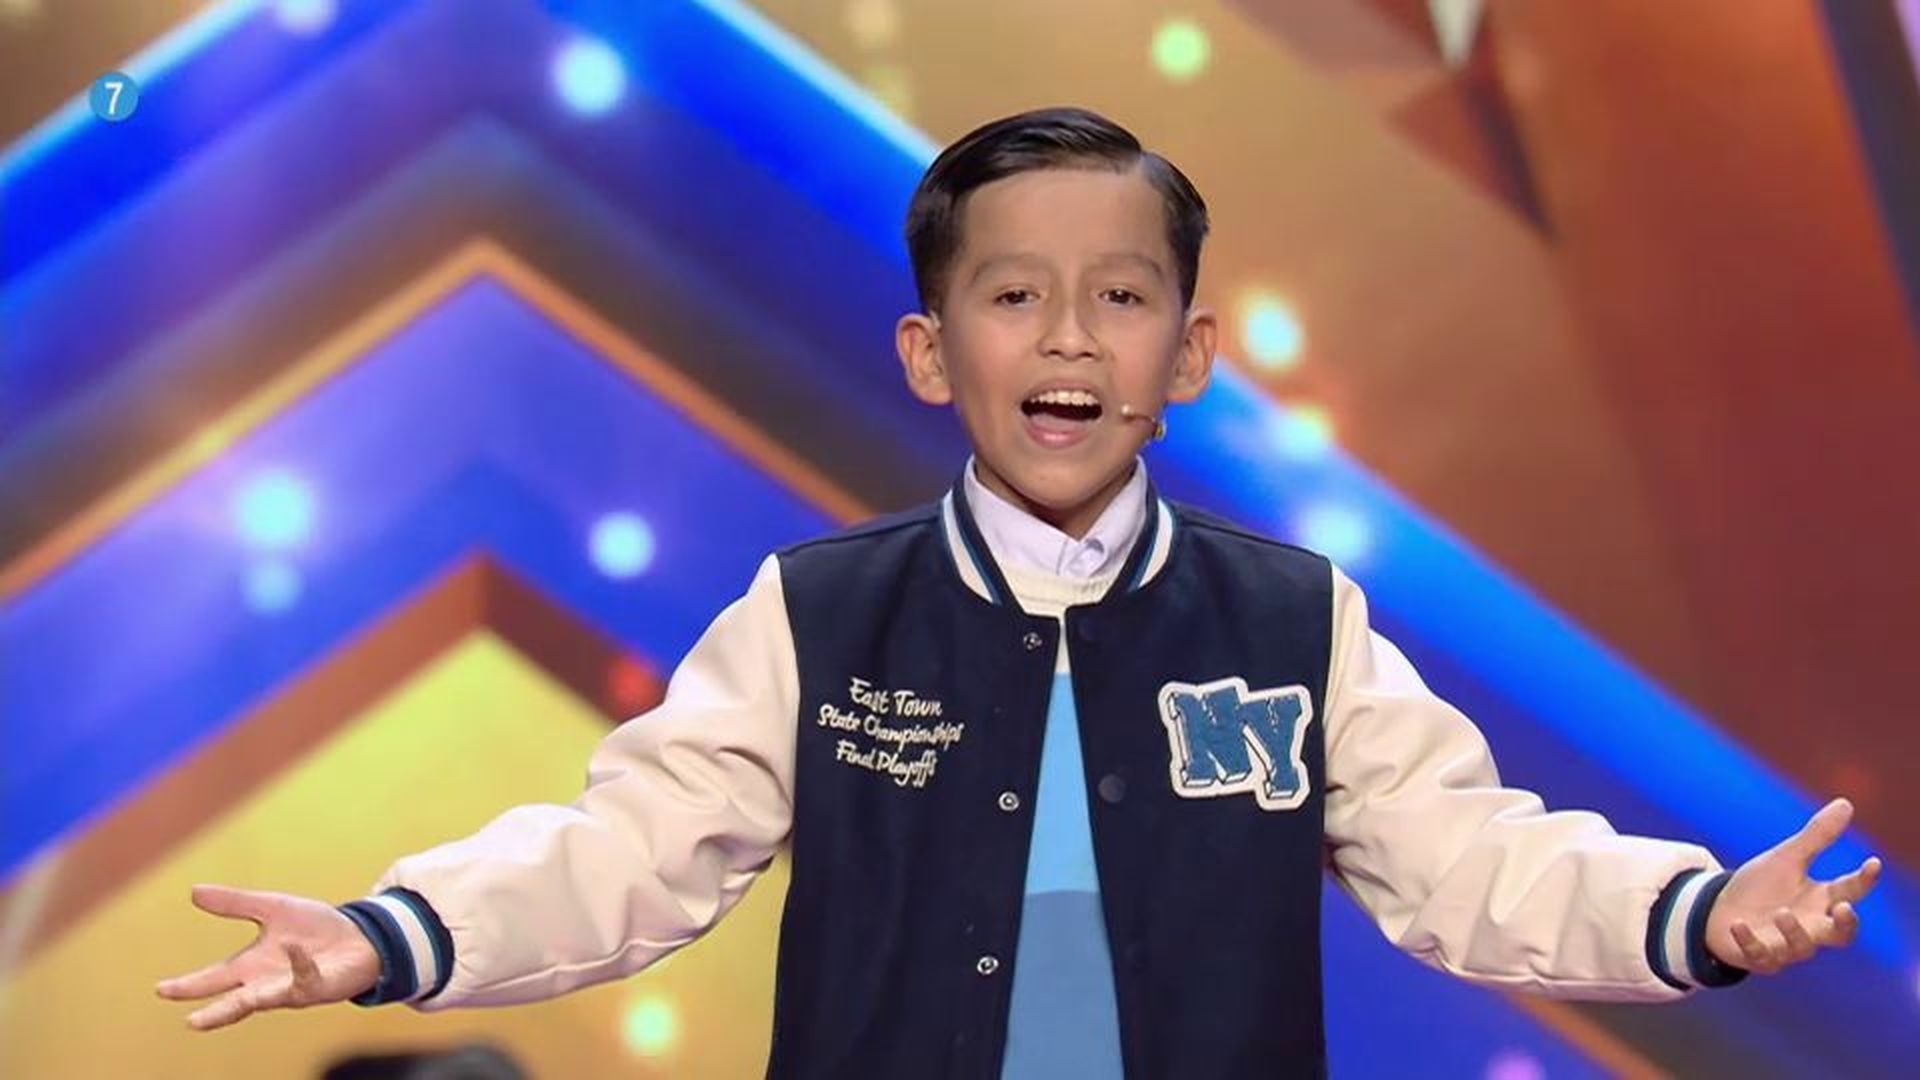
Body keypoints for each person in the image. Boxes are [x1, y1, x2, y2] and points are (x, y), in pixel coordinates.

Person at [157, 107, 1881, 1077]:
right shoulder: (818, 615)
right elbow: (625, 861)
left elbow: (1471, 867)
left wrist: (1697, 915)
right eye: (1012, 297)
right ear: (928, 351)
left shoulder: (1294, 626)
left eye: (1122, 297)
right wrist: (389, 935)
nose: (1068, 338)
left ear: (1190, 354)